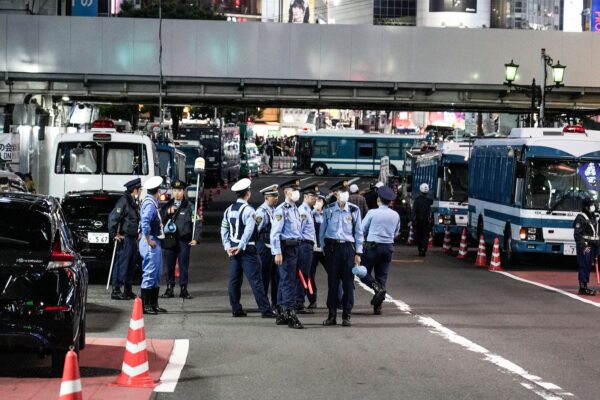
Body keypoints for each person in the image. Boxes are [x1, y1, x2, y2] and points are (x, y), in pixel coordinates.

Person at [220, 178, 275, 318]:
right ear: (248, 193)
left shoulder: (229, 209)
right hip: (247, 250)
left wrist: (227, 246)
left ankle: (236, 309)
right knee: (256, 281)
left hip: (232, 249)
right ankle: (266, 310)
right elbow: (249, 231)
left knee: (234, 281)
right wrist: (241, 246)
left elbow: (224, 229)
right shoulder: (249, 210)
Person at [320, 179, 363, 327]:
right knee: (332, 284)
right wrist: (324, 248)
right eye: (341, 192)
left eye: (346, 191)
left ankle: (347, 315)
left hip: (348, 250)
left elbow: (358, 233)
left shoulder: (354, 210)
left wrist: (358, 252)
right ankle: (332, 315)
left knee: (348, 284)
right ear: (336, 194)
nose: (344, 194)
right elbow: (323, 231)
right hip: (332, 249)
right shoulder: (329, 209)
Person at [360, 186, 400, 314]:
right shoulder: (395, 215)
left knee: (362, 272)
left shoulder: (372, 213)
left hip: (373, 246)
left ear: (379, 199)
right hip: (388, 247)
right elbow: (396, 233)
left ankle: (376, 288)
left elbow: (362, 229)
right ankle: (378, 307)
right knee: (382, 276)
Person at [270, 179, 304, 329]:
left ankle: (281, 312)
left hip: (295, 248)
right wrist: (277, 252)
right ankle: (290, 314)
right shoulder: (281, 210)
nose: (297, 192)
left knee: (286, 281)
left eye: (298, 189)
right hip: (286, 249)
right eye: (293, 189)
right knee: (288, 282)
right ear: (286, 192)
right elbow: (275, 233)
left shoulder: (294, 208)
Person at [160, 180, 201, 300]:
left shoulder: (190, 206)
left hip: (184, 241)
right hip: (170, 240)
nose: (177, 193)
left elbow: (197, 222)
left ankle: (184, 289)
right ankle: (169, 288)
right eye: (175, 190)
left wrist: (196, 239)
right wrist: (168, 212)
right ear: (172, 191)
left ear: (184, 191)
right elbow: (159, 219)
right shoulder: (167, 205)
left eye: (179, 190)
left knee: (183, 266)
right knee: (169, 266)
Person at [108, 178, 142, 300]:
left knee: (131, 265)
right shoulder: (124, 201)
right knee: (121, 264)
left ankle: (128, 290)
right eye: (140, 189)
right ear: (135, 190)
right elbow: (113, 218)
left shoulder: (133, 201)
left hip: (133, 238)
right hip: (125, 238)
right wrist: (114, 234)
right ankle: (116, 290)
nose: (141, 191)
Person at [139, 176, 168, 315]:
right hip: (150, 242)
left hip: (155, 241)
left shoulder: (152, 202)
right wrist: (147, 239)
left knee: (156, 274)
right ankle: (146, 306)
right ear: (158, 191)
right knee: (150, 273)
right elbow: (145, 222)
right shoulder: (150, 204)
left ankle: (154, 304)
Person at [255, 184, 280, 307]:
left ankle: (276, 303)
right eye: (273, 196)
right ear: (266, 197)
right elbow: (255, 231)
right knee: (264, 277)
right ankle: (264, 305)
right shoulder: (261, 212)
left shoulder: (275, 210)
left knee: (276, 277)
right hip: (264, 248)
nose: (276, 198)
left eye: (277, 195)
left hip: (274, 248)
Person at [296, 184, 318, 314]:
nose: (315, 198)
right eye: (312, 196)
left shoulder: (308, 210)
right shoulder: (303, 211)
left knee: (305, 274)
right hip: (304, 246)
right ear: (305, 197)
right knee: (303, 275)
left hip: (307, 246)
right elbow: (299, 230)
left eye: (315, 196)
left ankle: (299, 301)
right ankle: (299, 302)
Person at [573, 198, 599, 296]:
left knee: (589, 266)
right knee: (584, 266)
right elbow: (577, 235)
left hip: (594, 246)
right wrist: (583, 246)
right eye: (591, 204)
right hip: (586, 246)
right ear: (586, 207)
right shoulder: (580, 217)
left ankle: (585, 286)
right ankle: (583, 288)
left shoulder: (593, 217)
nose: (593, 206)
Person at [307, 191, 327, 309]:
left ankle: (338, 299)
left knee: (334, 274)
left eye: (320, 200)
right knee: (309, 276)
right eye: (316, 199)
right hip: (312, 250)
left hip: (325, 250)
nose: (318, 202)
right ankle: (312, 299)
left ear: (324, 202)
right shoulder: (309, 213)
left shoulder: (328, 214)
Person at [413, 183, 433, 257]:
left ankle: (420, 249)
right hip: (426, 220)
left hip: (418, 220)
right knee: (425, 235)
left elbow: (414, 210)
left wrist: (412, 219)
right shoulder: (429, 200)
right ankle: (424, 249)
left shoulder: (417, 199)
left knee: (419, 235)